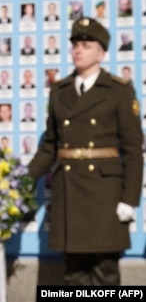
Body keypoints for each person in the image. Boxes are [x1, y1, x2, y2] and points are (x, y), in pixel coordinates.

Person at [29, 17, 143, 286]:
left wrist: (130, 199)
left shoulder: (118, 90)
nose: (78, 50)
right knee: (74, 275)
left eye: (86, 45)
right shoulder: (60, 91)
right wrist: (21, 179)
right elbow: (50, 146)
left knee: (105, 273)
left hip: (105, 195)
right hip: (69, 193)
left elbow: (133, 149)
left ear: (102, 52)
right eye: (75, 44)